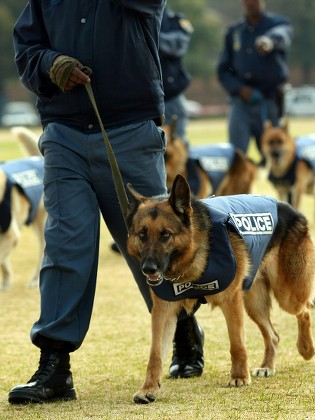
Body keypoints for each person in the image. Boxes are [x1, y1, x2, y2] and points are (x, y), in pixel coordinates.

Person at [8, 0, 203, 405]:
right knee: (65, 244)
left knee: (155, 243)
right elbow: (26, 47)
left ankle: (183, 330)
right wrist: (50, 64)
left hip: (129, 129)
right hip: (63, 133)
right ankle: (55, 364)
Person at [217, 0, 293, 162]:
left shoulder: (278, 24)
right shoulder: (234, 32)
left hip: (269, 101)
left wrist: (269, 41)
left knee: (277, 155)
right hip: (241, 102)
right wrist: (239, 89)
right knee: (237, 156)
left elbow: (283, 34)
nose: (251, 3)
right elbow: (224, 70)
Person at [159, 6, 193, 143]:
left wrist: (146, 34)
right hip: (142, 99)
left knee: (178, 146)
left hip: (171, 97)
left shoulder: (177, 21)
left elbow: (178, 45)